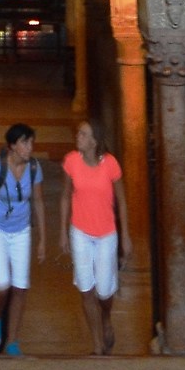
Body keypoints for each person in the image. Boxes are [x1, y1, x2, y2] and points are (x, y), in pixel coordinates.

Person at [58, 119, 129, 355]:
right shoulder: (71, 161)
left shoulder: (110, 164)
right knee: (86, 288)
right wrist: (63, 232)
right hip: (80, 231)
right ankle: (97, 344)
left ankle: (106, 318)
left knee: (104, 291)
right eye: (78, 133)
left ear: (94, 141)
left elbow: (121, 201)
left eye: (83, 134)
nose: (78, 137)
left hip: (106, 233)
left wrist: (126, 236)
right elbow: (65, 196)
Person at [0, 122, 44, 354]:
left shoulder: (34, 168)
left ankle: (13, 339)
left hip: (22, 232)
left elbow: (38, 202)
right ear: (13, 146)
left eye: (31, 142)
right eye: (25, 143)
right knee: (1, 284)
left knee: (20, 287)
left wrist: (43, 239)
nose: (30, 147)